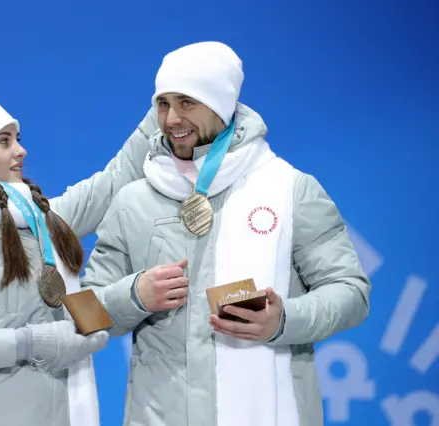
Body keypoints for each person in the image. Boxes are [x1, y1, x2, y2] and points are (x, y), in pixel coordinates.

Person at [82, 41, 371, 426]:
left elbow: (351, 291)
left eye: (187, 103)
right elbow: (83, 313)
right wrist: (133, 296)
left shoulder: (289, 189)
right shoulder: (132, 199)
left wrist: (284, 320)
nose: (170, 119)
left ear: (220, 106)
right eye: (163, 104)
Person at [0, 93, 158, 426]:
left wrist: (165, 103)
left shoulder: (37, 217)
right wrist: (29, 343)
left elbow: (113, 181)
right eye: (3, 142)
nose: (20, 151)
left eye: (17, 140)